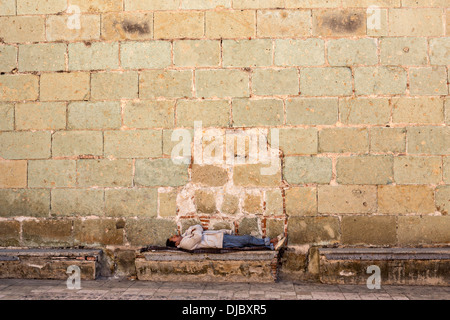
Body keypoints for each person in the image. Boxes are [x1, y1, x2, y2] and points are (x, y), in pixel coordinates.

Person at [166, 224, 286, 251]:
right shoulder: (186, 244)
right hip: (220, 242)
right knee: (246, 239)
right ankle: (271, 241)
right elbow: (197, 234)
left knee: (245, 242)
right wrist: (196, 230)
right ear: (176, 244)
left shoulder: (185, 236)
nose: (176, 236)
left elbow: (196, 227)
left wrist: (194, 229)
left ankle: (271, 245)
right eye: (174, 238)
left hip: (221, 237)